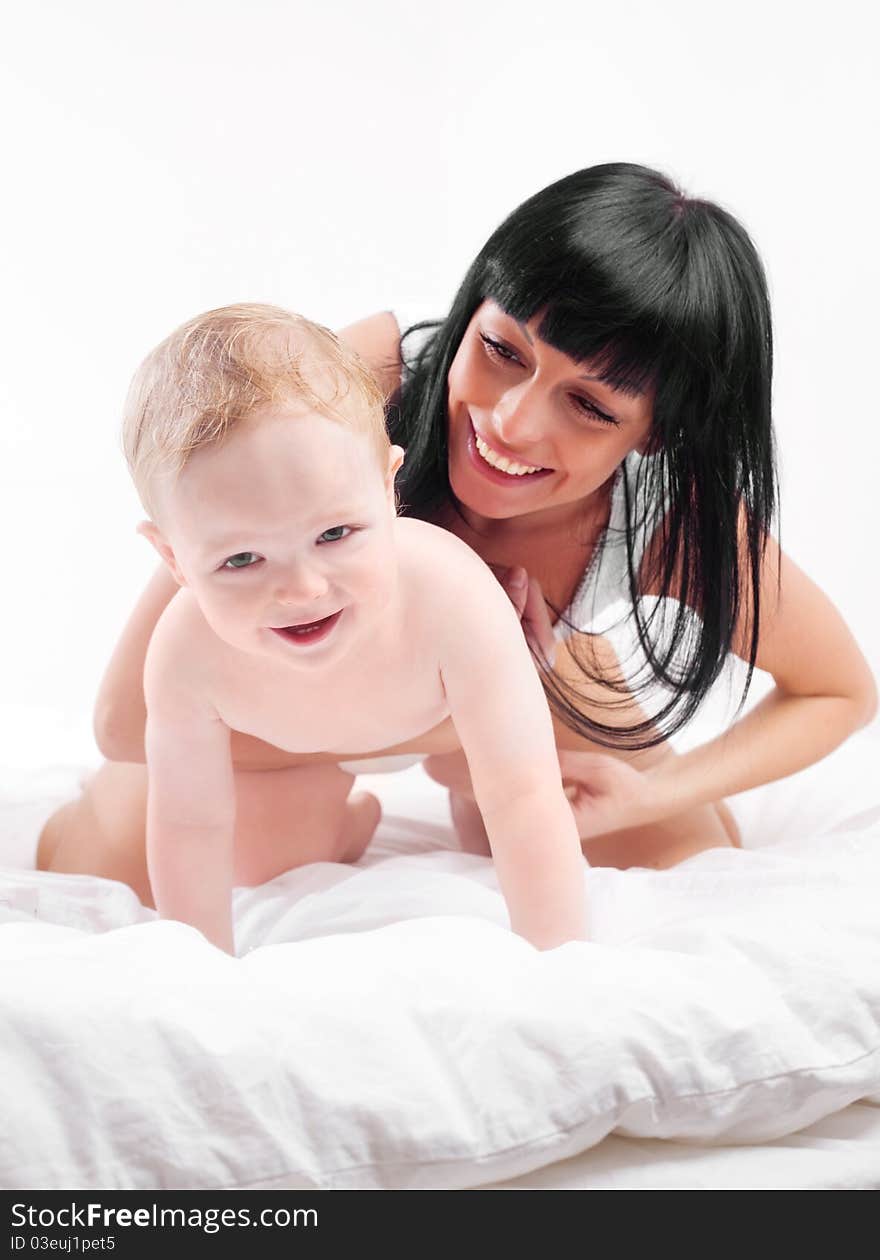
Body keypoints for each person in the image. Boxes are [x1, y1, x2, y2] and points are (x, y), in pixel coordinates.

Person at [38, 162, 876, 894]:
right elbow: (121, 721)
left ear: (653, 433)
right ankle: (352, 809)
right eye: (503, 351)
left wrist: (659, 793)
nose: (511, 423)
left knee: (679, 866)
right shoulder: (346, 385)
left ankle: (485, 779)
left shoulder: (665, 519)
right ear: (473, 306)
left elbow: (841, 691)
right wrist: (463, 705)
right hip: (320, 686)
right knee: (114, 861)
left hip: (543, 682)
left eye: (588, 406)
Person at [101, 302, 586, 954]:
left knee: (500, 799)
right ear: (173, 559)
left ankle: (463, 800)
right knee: (265, 859)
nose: (301, 591)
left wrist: (558, 959)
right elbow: (191, 823)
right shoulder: (186, 657)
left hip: (447, 722)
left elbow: (526, 795)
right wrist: (201, 969)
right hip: (298, 747)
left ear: (388, 491)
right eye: (240, 559)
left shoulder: (455, 598)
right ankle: (351, 821)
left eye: (335, 534)